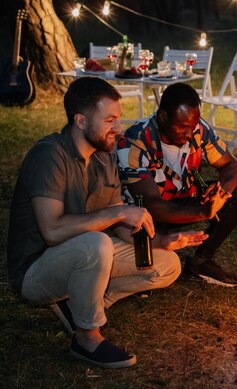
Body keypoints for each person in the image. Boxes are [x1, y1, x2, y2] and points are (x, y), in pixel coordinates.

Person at [6, 77, 207, 369]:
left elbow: (117, 222)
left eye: (119, 119)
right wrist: (118, 213)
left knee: (167, 264)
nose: (118, 128)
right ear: (81, 120)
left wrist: (161, 242)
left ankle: (82, 305)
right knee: (96, 244)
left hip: (85, 253)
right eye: (109, 120)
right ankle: (87, 338)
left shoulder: (105, 156)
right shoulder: (50, 155)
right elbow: (52, 231)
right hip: (37, 269)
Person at [117, 83, 237, 287]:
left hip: (183, 199)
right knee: (152, 256)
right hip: (151, 214)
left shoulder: (197, 128)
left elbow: (230, 165)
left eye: (193, 127)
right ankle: (150, 256)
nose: (189, 134)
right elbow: (152, 204)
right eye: (182, 127)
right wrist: (202, 212)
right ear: (163, 116)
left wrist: (220, 194)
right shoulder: (135, 141)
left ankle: (202, 261)